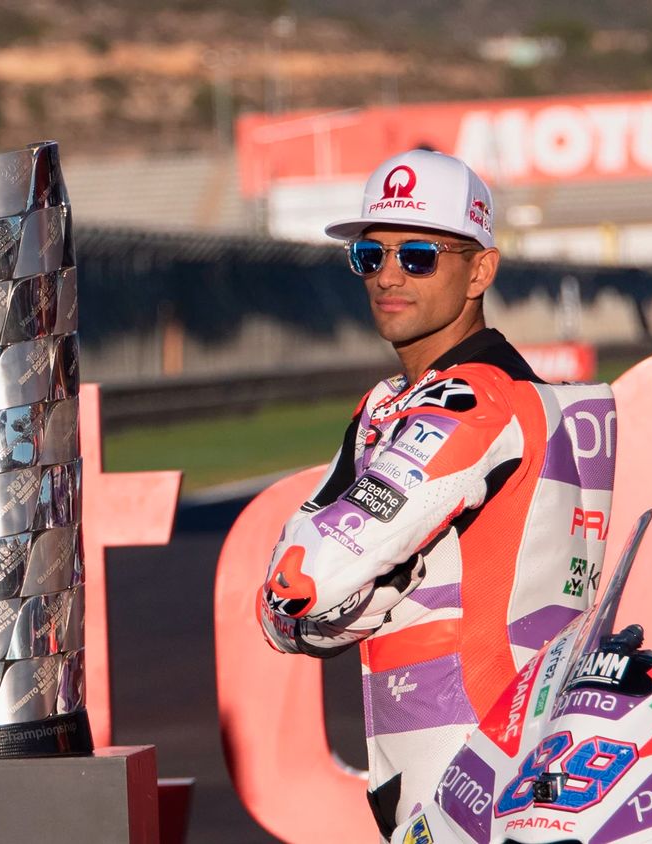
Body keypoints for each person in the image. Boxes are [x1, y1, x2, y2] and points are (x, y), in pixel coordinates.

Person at [254, 149, 616, 839]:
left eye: (419, 256)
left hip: (482, 766)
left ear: (480, 270)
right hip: (461, 761)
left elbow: (306, 582)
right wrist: (328, 600)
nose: (388, 276)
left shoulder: (476, 399)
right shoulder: (392, 404)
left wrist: (337, 602)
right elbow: (285, 612)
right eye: (370, 255)